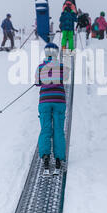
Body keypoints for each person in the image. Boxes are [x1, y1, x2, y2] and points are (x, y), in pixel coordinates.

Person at [35, 43, 69, 175]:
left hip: (44, 101)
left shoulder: (40, 67)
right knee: (58, 130)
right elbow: (65, 78)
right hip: (59, 101)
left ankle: (45, 156)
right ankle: (59, 158)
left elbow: (37, 82)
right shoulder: (62, 67)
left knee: (45, 129)